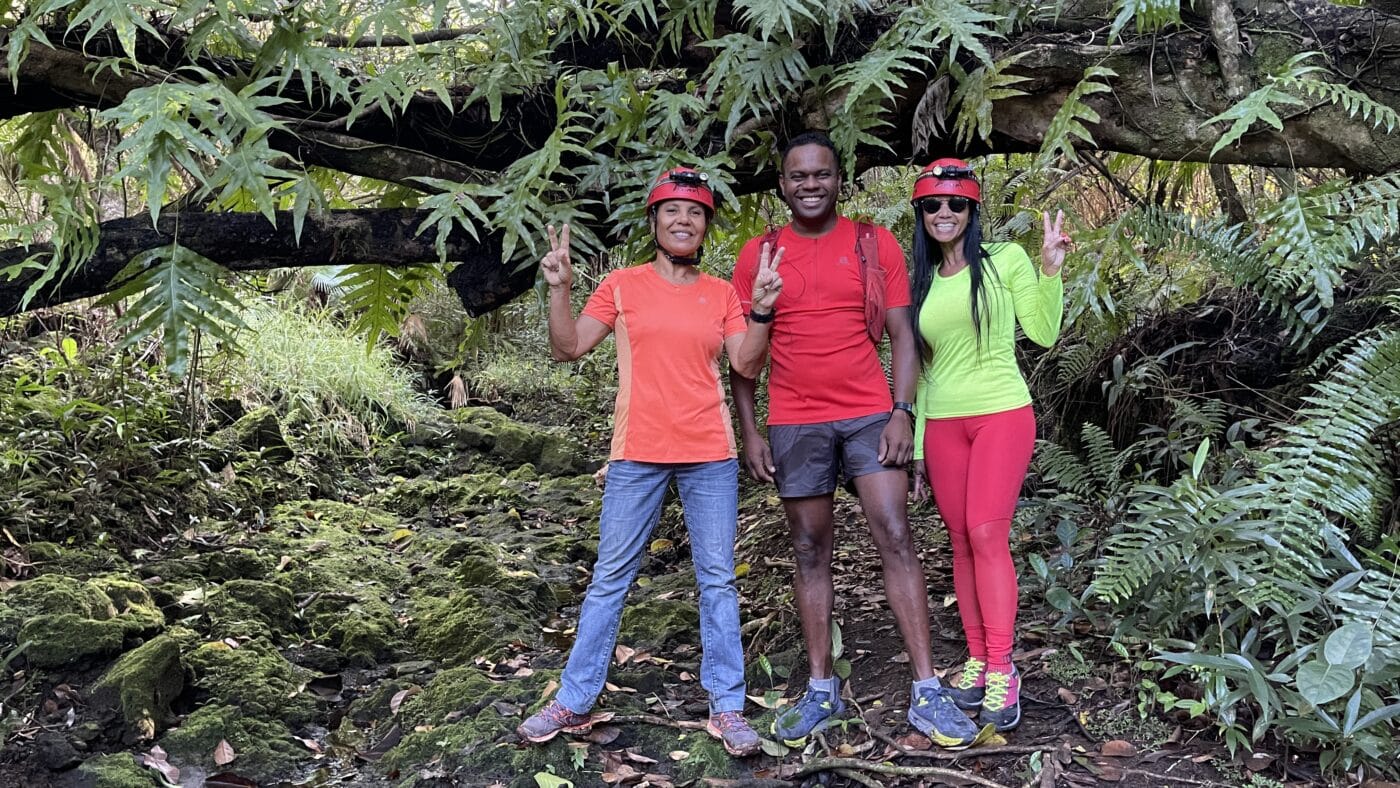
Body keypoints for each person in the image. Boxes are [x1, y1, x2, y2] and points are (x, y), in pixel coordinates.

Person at [515, 168, 784, 757]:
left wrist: (761, 309)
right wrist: (558, 288)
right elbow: (568, 348)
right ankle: (574, 699)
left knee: (717, 581)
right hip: (637, 453)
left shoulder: (721, 295)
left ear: (705, 225)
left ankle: (729, 708)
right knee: (610, 579)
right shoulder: (622, 284)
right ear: (655, 223)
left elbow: (745, 364)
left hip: (710, 454)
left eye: (694, 213)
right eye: (671, 212)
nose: (683, 221)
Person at [730, 131, 980, 748]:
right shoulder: (758, 255)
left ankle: (926, 689)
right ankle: (821, 688)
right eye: (798, 175)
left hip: (871, 411)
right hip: (795, 418)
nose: (810, 184)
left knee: (895, 533)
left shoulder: (873, 243)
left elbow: (901, 334)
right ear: (781, 185)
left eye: (822, 173)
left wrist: (902, 412)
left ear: (841, 179)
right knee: (810, 548)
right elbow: (741, 357)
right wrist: (750, 430)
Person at [907, 158, 1071, 732]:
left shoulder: (1006, 260)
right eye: (933, 204)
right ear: (921, 214)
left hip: (1002, 411)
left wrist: (1051, 270)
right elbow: (923, 374)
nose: (944, 213)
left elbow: (1044, 332)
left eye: (955, 204)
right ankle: (977, 660)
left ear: (973, 211)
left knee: (985, 532)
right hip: (945, 424)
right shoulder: (920, 282)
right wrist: (921, 447)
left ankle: (1003, 666)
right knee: (958, 541)